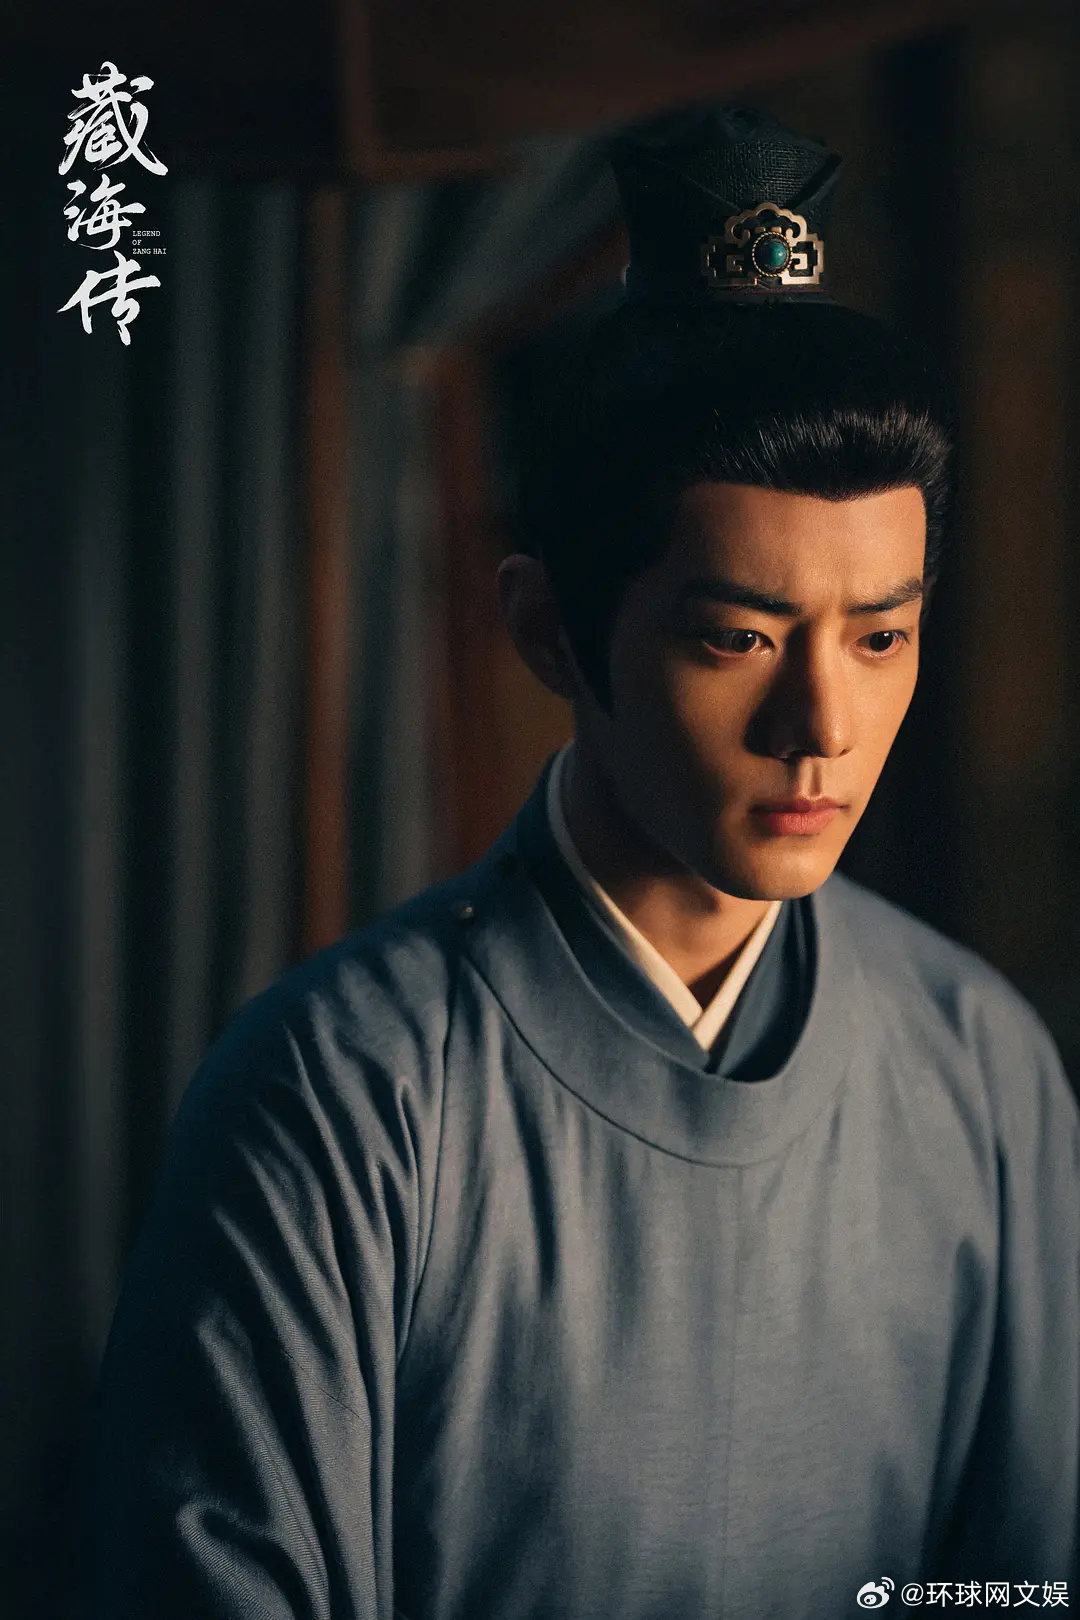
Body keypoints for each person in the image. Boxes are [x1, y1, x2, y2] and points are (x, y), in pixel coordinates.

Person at [83, 106, 1079, 1620]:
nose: (822, 726)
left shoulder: (979, 1062)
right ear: (549, 627)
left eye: (881, 637)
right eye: (736, 638)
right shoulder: (339, 1095)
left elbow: (1019, 1587)